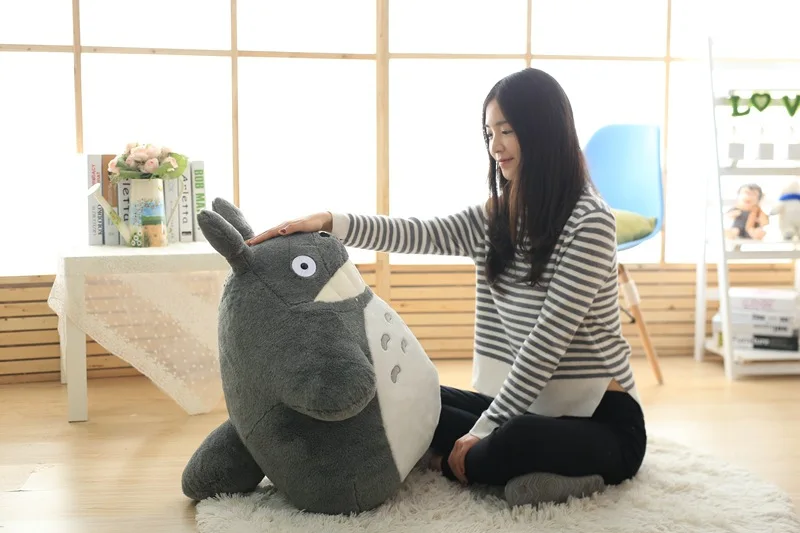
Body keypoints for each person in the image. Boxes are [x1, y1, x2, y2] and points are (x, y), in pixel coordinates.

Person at [246, 67, 647, 508]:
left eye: (507, 131)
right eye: (489, 133)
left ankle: (545, 474)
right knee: (408, 401)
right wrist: (330, 221)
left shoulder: (591, 223)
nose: (495, 146)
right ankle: (510, 472)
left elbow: (547, 341)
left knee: (514, 437)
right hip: (530, 406)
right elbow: (419, 233)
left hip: (603, 420)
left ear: (544, 132)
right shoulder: (496, 217)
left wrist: (485, 428)